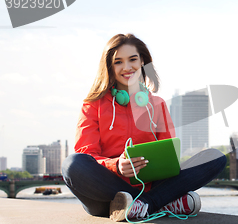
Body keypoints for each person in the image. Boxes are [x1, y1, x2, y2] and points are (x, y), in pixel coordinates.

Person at [61, 34, 226, 222]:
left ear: (142, 62)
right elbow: (87, 154)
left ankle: (145, 204)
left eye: (133, 59)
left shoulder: (157, 105)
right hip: (107, 195)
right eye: (118, 62)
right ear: (109, 67)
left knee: (216, 157)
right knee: (72, 164)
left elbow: (169, 156)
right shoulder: (92, 106)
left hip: (151, 186)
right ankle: (158, 202)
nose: (127, 67)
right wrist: (116, 166)